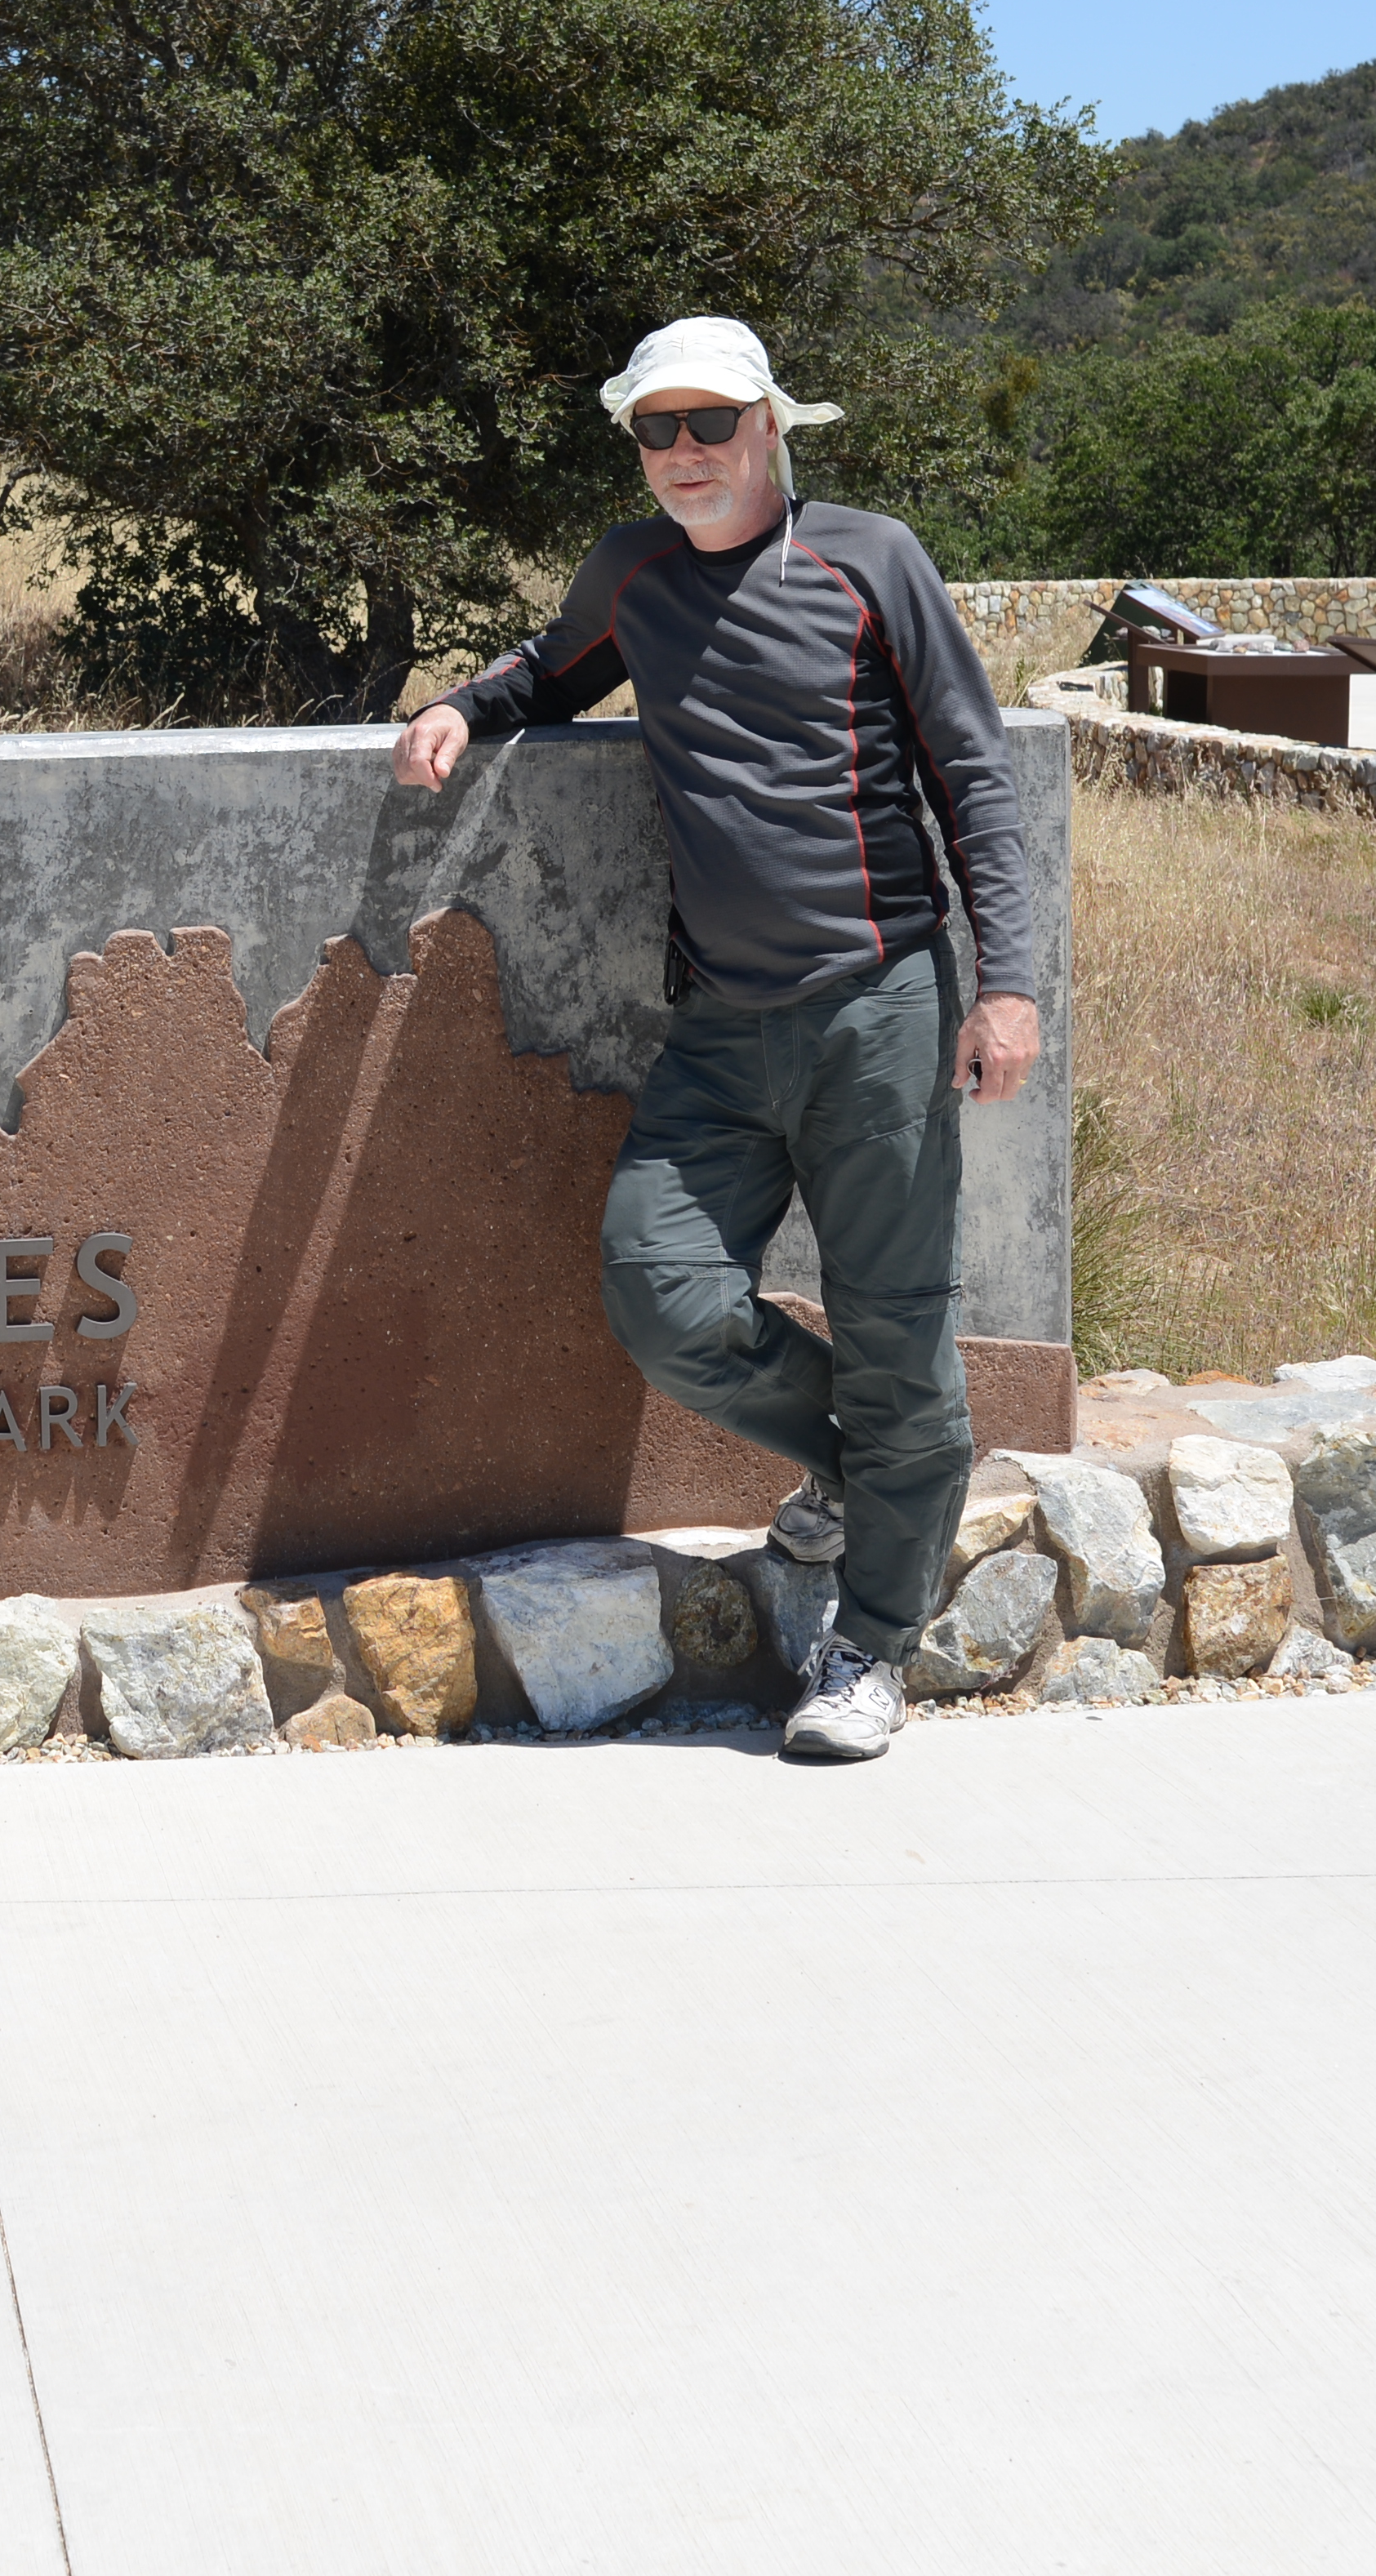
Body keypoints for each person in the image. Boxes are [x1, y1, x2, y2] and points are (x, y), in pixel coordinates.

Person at [392, 315, 1042, 1763]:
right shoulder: (633, 571)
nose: (683, 454)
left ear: (771, 430)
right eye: (655, 430)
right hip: (719, 1027)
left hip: (881, 1004)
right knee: (659, 1290)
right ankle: (878, 1465)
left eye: (711, 424)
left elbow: (975, 778)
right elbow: (549, 675)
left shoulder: (874, 561)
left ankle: (870, 1648)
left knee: (893, 1321)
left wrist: (1010, 988)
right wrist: (455, 706)